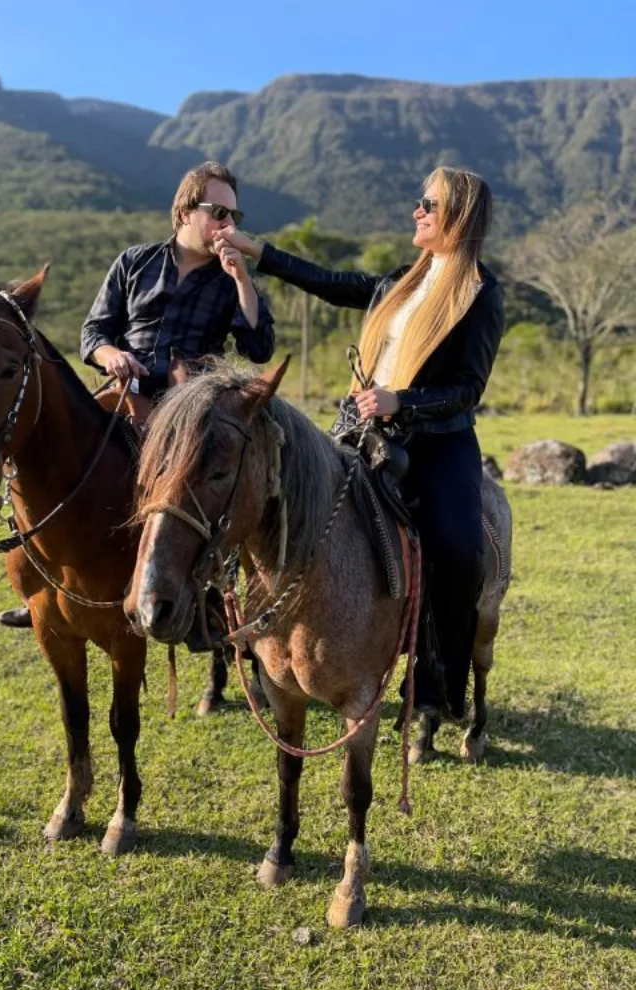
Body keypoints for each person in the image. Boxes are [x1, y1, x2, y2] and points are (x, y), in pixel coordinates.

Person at [215, 166, 504, 761]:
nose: (416, 212)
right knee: (281, 507)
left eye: (428, 203)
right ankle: (257, 639)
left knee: (456, 544)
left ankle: (435, 685)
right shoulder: (401, 282)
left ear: (459, 214)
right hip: (363, 432)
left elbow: (468, 389)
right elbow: (330, 281)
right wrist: (257, 252)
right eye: (419, 201)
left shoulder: (480, 293)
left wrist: (404, 400)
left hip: (437, 441)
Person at [0, 160, 274, 628]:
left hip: (188, 407)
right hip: (123, 390)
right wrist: (111, 356)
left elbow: (259, 346)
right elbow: (93, 332)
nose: (228, 225)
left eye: (234, 217)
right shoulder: (134, 261)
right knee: (52, 456)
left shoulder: (232, 280)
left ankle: (201, 596)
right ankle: (45, 583)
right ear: (186, 211)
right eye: (218, 212)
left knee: (186, 487)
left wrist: (243, 279)